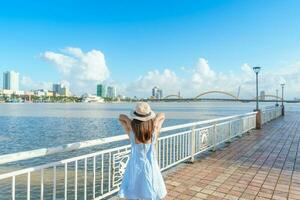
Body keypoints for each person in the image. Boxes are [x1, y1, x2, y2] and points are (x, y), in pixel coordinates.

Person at [118, 102, 167, 200]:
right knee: (151, 189)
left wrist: (129, 121)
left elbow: (121, 117)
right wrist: (156, 121)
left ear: (135, 118)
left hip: (135, 166)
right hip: (151, 166)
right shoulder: (154, 131)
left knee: (135, 191)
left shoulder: (132, 132)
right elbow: (162, 115)